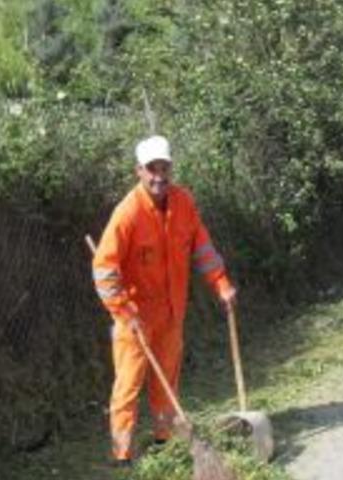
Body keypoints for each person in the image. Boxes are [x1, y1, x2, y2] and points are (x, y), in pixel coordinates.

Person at [91, 135, 237, 466]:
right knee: (128, 386)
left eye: (164, 168)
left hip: (172, 312)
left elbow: (203, 248)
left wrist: (222, 284)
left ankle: (164, 442)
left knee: (166, 380)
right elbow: (104, 270)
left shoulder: (184, 203)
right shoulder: (127, 213)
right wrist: (124, 313)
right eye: (152, 169)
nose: (159, 176)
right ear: (139, 171)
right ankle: (122, 455)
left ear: (171, 168)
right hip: (134, 318)